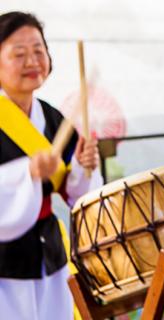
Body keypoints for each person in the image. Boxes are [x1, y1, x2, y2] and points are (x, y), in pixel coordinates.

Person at [0, 11, 103, 320]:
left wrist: (84, 167)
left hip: (49, 254)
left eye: (38, 50)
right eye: (19, 54)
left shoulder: (53, 117)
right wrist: (26, 173)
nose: (32, 61)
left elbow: (77, 193)